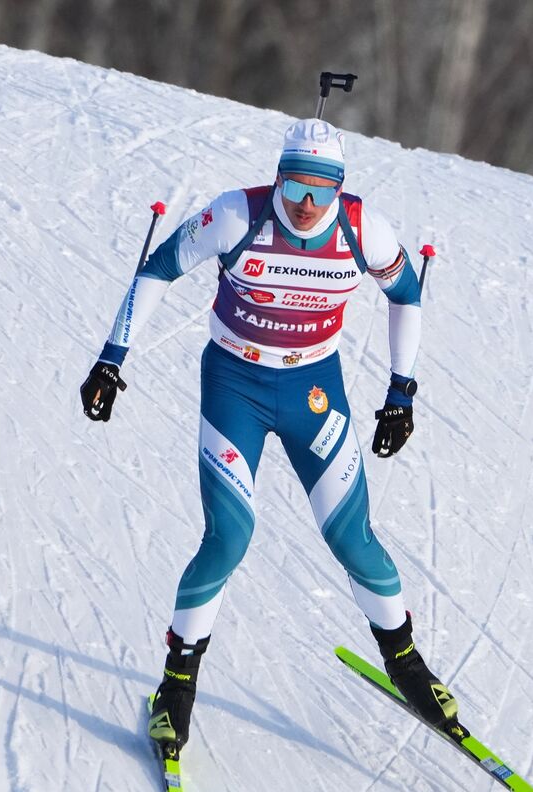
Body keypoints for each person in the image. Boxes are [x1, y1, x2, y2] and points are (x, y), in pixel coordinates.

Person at [80, 118, 463, 755]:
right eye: (296, 186)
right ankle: (178, 683)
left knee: (354, 537)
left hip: (315, 392)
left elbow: (406, 295)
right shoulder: (237, 215)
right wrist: (111, 357)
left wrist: (402, 391)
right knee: (229, 535)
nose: (308, 203)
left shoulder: (363, 229)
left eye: (322, 189)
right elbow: (156, 270)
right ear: (278, 177)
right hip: (236, 386)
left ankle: (405, 664)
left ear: (340, 188)